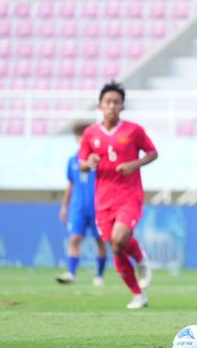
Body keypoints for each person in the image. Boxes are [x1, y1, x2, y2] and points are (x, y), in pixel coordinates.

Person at [78, 82, 158, 309]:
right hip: (103, 199)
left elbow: (153, 153)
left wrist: (135, 164)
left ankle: (141, 258)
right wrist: (89, 163)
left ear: (122, 106)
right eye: (108, 102)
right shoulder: (90, 134)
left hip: (129, 195)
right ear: (100, 105)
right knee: (115, 246)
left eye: (116, 102)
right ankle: (138, 295)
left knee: (119, 239)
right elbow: (83, 163)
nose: (112, 106)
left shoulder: (134, 130)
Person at [56, 122, 108, 286]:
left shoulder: (99, 159)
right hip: (78, 208)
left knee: (100, 241)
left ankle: (99, 275)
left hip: (98, 207)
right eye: (79, 136)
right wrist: (65, 206)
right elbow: (70, 184)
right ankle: (71, 273)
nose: (81, 139)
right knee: (75, 239)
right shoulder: (72, 160)